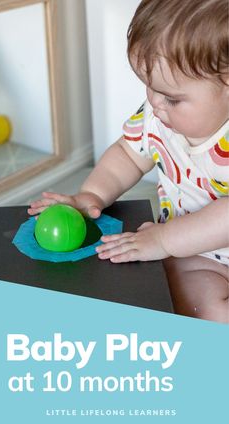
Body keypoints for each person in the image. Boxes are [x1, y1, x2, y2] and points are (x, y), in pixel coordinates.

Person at [28, 0, 229, 323]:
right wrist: (92, 195)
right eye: (149, 87)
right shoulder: (158, 115)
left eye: (172, 98)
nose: (155, 104)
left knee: (205, 310)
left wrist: (164, 239)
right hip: (196, 250)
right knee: (170, 291)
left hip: (200, 243)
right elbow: (127, 155)